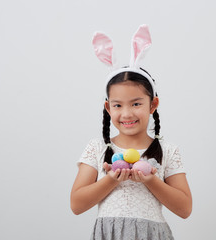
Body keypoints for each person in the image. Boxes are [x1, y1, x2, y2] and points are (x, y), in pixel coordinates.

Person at [70, 25, 192, 240]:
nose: (126, 114)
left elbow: (184, 209)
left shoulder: (167, 151)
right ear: (108, 108)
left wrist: (150, 180)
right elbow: (77, 204)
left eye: (136, 104)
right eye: (118, 105)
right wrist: (111, 179)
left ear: (152, 104)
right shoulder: (97, 148)